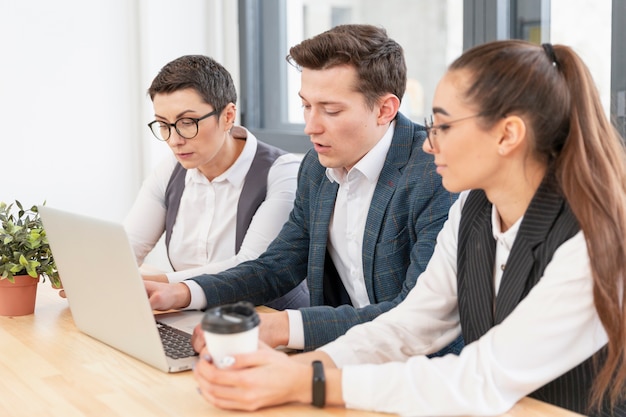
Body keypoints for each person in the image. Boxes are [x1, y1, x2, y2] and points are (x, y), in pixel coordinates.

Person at [191, 39, 626, 417]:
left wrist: (311, 385)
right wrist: (305, 368)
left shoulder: (591, 238)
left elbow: (484, 376)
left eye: (444, 126)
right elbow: (412, 324)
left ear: (508, 134)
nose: (427, 141)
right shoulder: (474, 208)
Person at [145, 24, 460, 354]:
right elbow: (277, 266)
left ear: (385, 109)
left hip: (425, 370)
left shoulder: (436, 174)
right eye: (306, 106)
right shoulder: (316, 167)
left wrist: (283, 326)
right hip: (346, 354)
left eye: (331, 110)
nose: (311, 126)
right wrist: (182, 292)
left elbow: (415, 313)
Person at [125, 54, 309, 310]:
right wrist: (100, 273)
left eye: (187, 122)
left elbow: (250, 266)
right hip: (194, 317)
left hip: (270, 323)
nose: (174, 140)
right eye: (164, 125)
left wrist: (157, 284)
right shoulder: (170, 171)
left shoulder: (282, 172)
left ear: (228, 115)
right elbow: (127, 248)